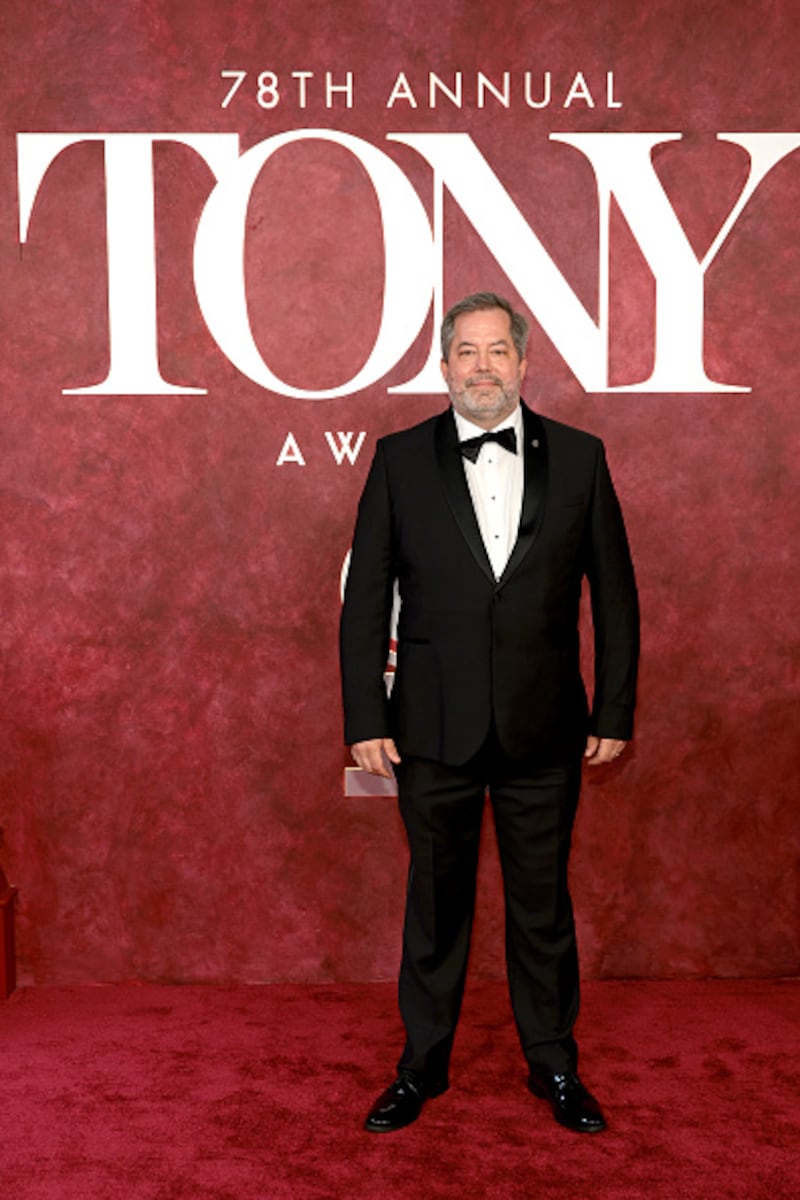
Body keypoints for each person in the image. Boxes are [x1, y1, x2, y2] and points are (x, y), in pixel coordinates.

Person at [340, 292, 639, 1134]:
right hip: (429, 730)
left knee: (542, 908)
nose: (481, 367)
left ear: (523, 361)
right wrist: (365, 717)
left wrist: (614, 707)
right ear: (444, 366)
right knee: (435, 907)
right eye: (465, 352)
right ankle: (421, 1067)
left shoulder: (581, 457)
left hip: (546, 729)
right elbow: (366, 601)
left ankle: (554, 1065)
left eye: (496, 350)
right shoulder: (398, 459)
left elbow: (616, 595)